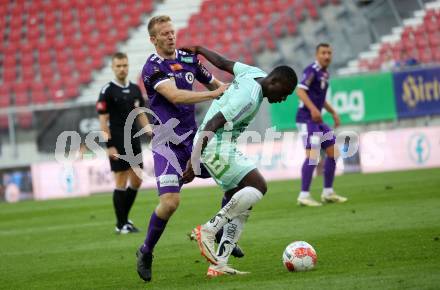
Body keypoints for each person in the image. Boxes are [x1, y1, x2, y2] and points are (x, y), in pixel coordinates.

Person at [181, 45, 298, 276]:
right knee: (259, 186)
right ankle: (208, 230)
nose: (283, 99)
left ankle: (219, 264)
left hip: (219, 145)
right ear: (274, 82)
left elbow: (223, 62)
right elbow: (212, 124)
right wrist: (193, 164)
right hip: (213, 145)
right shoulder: (249, 98)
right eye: (284, 93)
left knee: (245, 199)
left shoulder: (252, 72)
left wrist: (199, 49)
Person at [135, 15, 230, 282]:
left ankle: (219, 232)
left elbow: (215, 84)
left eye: (172, 32)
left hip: (194, 140)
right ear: (153, 39)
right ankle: (145, 251)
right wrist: (212, 95)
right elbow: (176, 95)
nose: (170, 36)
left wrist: (234, 90)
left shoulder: (189, 59)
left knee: (233, 181)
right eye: (164, 34)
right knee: (170, 203)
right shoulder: (151, 67)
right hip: (167, 144)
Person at [96, 52, 152, 234]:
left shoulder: (135, 89)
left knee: (136, 180)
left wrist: (150, 131)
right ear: (113, 68)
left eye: (124, 65)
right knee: (120, 180)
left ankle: (124, 220)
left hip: (134, 139)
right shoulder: (107, 91)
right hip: (117, 141)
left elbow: (141, 113)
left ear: (128, 66)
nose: (122, 69)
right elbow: (103, 121)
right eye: (118, 66)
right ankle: (121, 224)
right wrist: (109, 145)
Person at [295, 43, 347, 207]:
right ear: (317, 54)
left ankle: (328, 193)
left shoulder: (324, 73)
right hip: (306, 119)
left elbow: (319, 98)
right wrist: (313, 109)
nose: (327, 56)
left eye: (329, 53)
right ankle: (303, 195)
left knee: (333, 152)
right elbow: (300, 90)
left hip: (317, 120)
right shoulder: (312, 69)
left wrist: (333, 112)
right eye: (323, 53)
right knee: (312, 157)